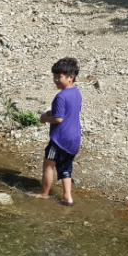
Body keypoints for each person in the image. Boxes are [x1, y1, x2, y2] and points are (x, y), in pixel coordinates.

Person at [36, 57, 82, 206]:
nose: (55, 80)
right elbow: (69, 113)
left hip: (60, 139)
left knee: (48, 165)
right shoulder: (77, 93)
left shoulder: (61, 96)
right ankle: (68, 197)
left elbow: (59, 119)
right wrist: (52, 113)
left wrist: (45, 119)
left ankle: (44, 194)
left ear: (70, 78)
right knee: (65, 168)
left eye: (59, 77)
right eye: (54, 76)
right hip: (74, 139)